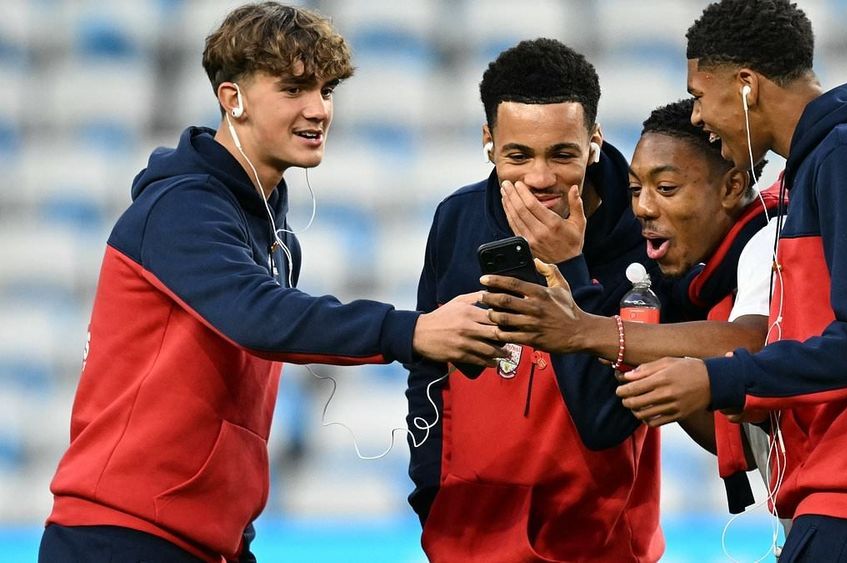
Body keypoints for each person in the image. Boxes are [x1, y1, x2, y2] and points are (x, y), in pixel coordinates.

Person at [39, 3, 502, 562]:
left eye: (327, 90)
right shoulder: (181, 207)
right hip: (121, 537)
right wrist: (411, 331)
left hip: (205, 543)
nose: (318, 109)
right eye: (293, 89)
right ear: (232, 98)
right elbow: (256, 315)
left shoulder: (269, 230)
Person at [615, 0, 847, 560]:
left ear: (746, 85)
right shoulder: (835, 160)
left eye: (698, 93)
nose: (696, 116)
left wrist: (720, 378)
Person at [404, 38, 677, 562]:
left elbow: (606, 421)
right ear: (488, 140)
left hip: (603, 547)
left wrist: (571, 267)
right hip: (468, 541)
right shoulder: (456, 220)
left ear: (594, 140)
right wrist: (431, 496)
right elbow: (429, 370)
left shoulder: (646, 232)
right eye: (518, 154)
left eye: (563, 154)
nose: (540, 178)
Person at [480, 98, 781, 517]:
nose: (643, 207)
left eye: (667, 188)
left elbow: (753, 340)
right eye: (636, 189)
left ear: (732, 186)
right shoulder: (701, 286)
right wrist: (640, 367)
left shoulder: (772, 241)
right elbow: (744, 441)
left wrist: (592, 327)